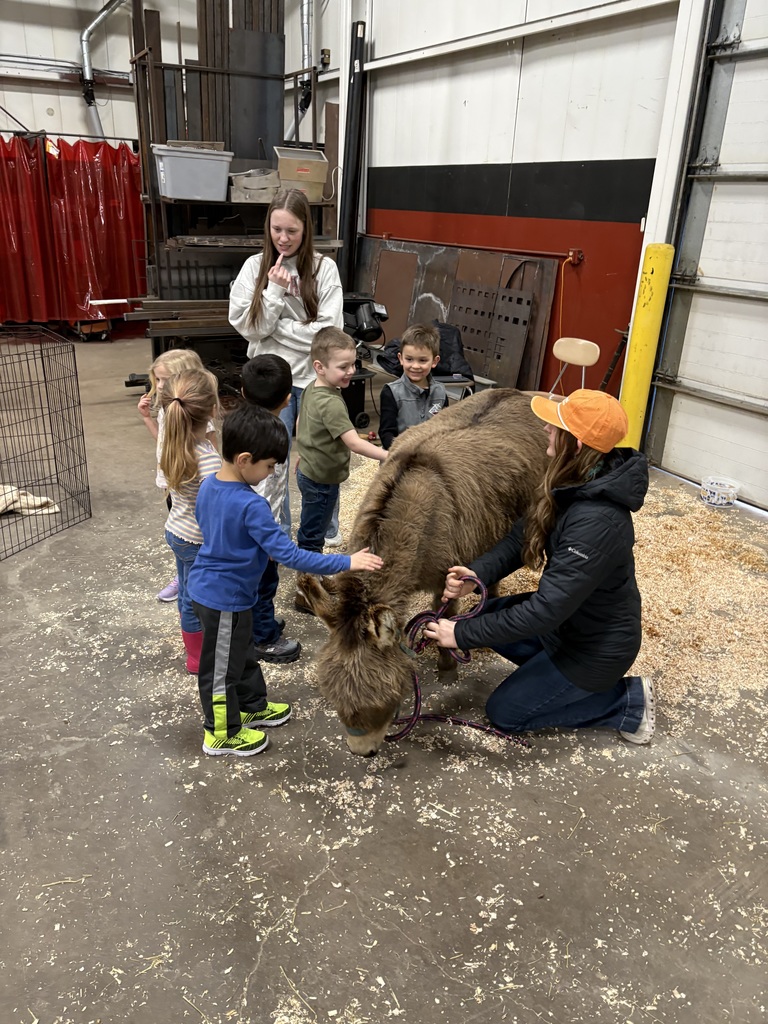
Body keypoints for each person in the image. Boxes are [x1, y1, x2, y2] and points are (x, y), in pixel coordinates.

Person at [424, 389, 655, 745]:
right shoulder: (572, 478)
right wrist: (477, 574)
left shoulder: (597, 521)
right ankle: (548, 676)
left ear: (575, 443)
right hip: (569, 625)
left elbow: (546, 610)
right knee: (481, 615)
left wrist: (460, 637)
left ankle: (626, 703)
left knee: (505, 714)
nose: (546, 428)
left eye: (556, 425)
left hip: (594, 648)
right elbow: (521, 539)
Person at [186, 404, 383, 757]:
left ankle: (251, 705)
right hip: (222, 599)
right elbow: (288, 555)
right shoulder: (251, 505)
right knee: (220, 670)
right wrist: (346, 561)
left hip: (229, 593)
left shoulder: (209, 485)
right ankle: (220, 733)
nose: (271, 473)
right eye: (269, 466)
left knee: (243, 653)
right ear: (245, 459)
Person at [228, 189, 344, 538]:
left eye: (291, 231)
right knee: (271, 457)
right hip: (268, 379)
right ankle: (276, 527)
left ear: (306, 229)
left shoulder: (324, 268)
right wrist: (275, 293)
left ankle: (325, 528)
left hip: (312, 378)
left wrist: (274, 329)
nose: (283, 238)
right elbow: (248, 327)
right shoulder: (254, 267)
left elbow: (328, 335)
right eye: (276, 229)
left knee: (318, 457)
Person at [295, 327, 388, 560]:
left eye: (353, 364)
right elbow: (354, 444)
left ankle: (308, 567)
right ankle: (307, 582)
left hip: (308, 470)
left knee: (310, 522)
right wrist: (388, 455)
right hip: (322, 481)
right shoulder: (332, 403)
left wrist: (303, 452)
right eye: (343, 367)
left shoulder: (310, 388)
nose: (351, 371)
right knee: (314, 534)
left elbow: (301, 422)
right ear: (320, 367)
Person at [137, 347, 217, 602]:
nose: (159, 386)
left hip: (194, 488)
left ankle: (190, 579)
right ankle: (183, 576)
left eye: (165, 379)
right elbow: (165, 443)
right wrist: (147, 419)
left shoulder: (200, 420)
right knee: (182, 532)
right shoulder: (168, 411)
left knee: (194, 535)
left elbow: (214, 457)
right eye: (157, 379)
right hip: (173, 485)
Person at [158, 368, 221, 674]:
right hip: (197, 539)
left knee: (185, 590)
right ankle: (198, 657)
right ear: (211, 411)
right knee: (197, 599)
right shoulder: (206, 458)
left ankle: (192, 647)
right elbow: (214, 506)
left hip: (177, 529)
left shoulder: (173, 442)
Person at [240, 354, 301, 665]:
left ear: (242, 392)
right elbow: (263, 492)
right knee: (263, 586)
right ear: (289, 398)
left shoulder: (239, 425)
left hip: (246, 525)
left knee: (255, 585)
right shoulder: (273, 434)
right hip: (262, 530)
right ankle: (264, 639)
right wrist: (271, 538)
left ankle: (259, 626)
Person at [378, 323, 449, 450]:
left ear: (434, 361)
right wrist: (407, 452)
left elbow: (446, 429)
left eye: (422, 360)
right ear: (401, 358)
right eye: (409, 359)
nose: (415, 366)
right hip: (399, 458)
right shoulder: (391, 392)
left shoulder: (441, 393)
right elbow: (386, 434)